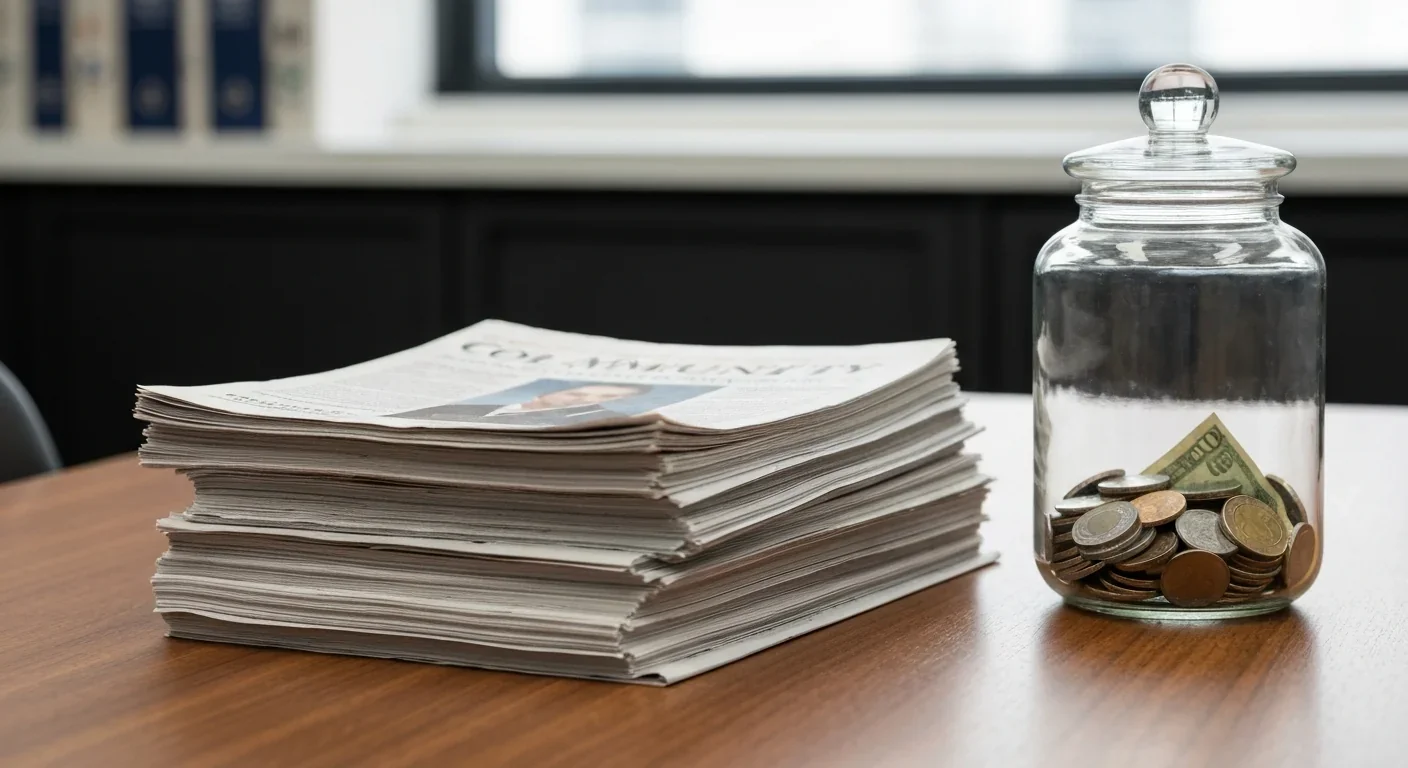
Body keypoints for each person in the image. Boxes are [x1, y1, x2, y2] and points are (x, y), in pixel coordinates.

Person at [391, 382, 653, 427]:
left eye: (606, 399)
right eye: (577, 395)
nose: (587, 400)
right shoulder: (456, 408)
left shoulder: (591, 425)